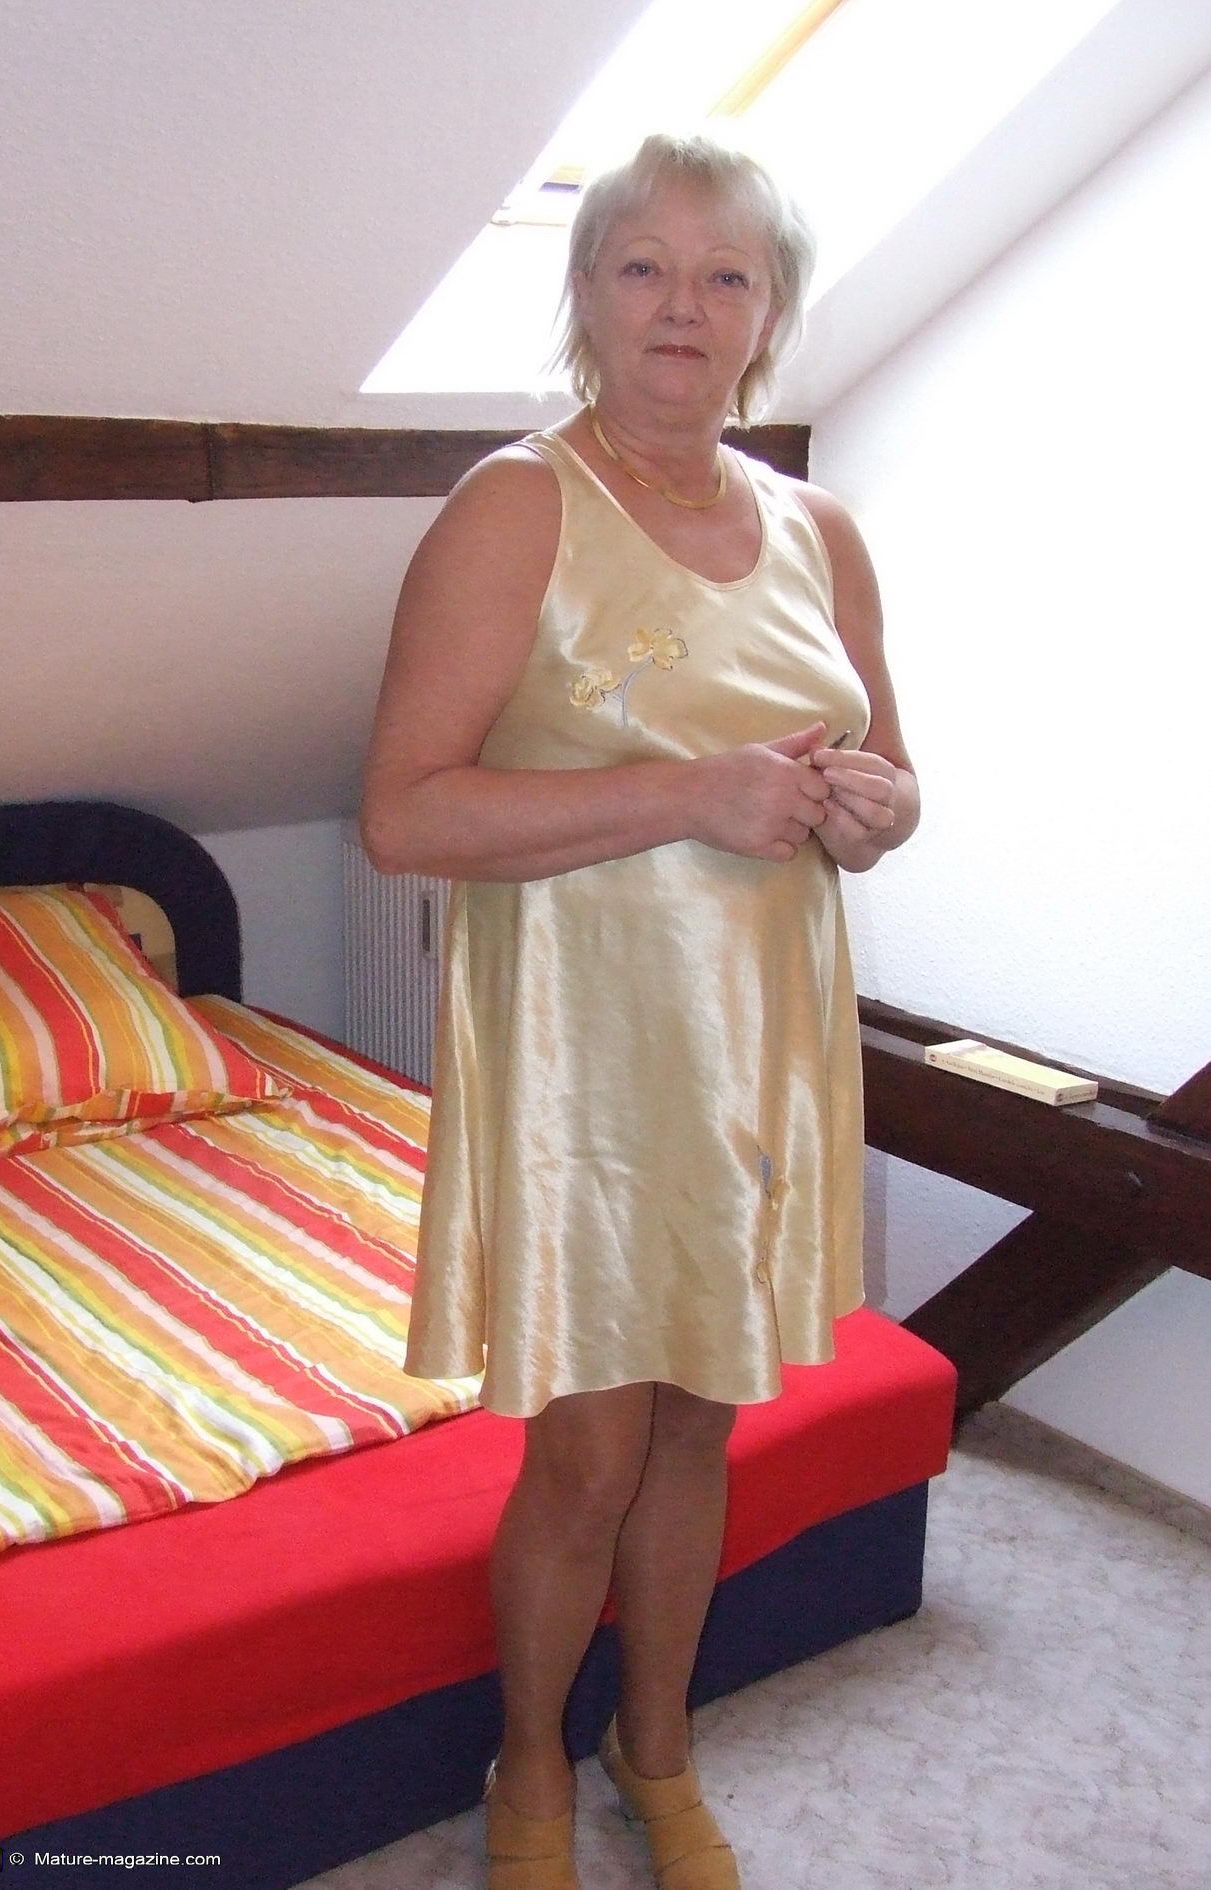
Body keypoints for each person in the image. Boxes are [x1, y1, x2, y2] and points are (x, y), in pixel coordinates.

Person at [360, 130, 919, 1890]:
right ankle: (530, 1760)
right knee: (592, 1451)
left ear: (770, 313)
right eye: (644, 267)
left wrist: (875, 811)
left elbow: (894, 780)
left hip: (760, 1048)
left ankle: (654, 1745)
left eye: (725, 274)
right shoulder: (516, 506)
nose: (684, 305)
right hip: (587, 1063)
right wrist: (690, 792)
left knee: (702, 1422)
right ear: (587, 295)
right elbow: (403, 814)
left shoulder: (821, 529)